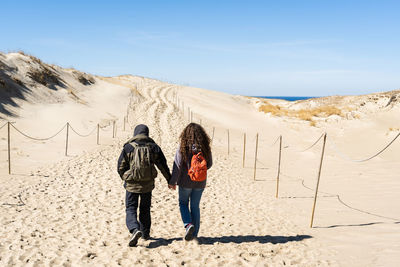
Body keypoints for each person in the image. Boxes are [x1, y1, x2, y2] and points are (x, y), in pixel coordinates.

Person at [117, 124, 171, 247]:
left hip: (131, 184)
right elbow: (162, 165)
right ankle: (145, 233)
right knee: (145, 209)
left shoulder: (128, 147)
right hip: (148, 184)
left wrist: (126, 177)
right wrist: (169, 180)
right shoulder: (153, 147)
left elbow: (120, 167)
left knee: (131, 208)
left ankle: (135, 230)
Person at [168, 123, 213, 241]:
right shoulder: (205, 147)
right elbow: (210, 164)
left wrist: (173, 181)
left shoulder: (183, 146)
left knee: (183, 203)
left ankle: (188, 225)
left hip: (185, 182)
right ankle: (195, 235)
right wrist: (199, 172)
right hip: (200, 182)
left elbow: (177, 166)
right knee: (195, 206)